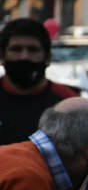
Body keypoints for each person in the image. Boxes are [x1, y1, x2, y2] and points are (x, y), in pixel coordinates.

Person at [0, 18, 78, 146]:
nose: (24, 57)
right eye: (16, 49)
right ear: (2, 56)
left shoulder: (70, 104)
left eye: (33, 50)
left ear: (48, 58)